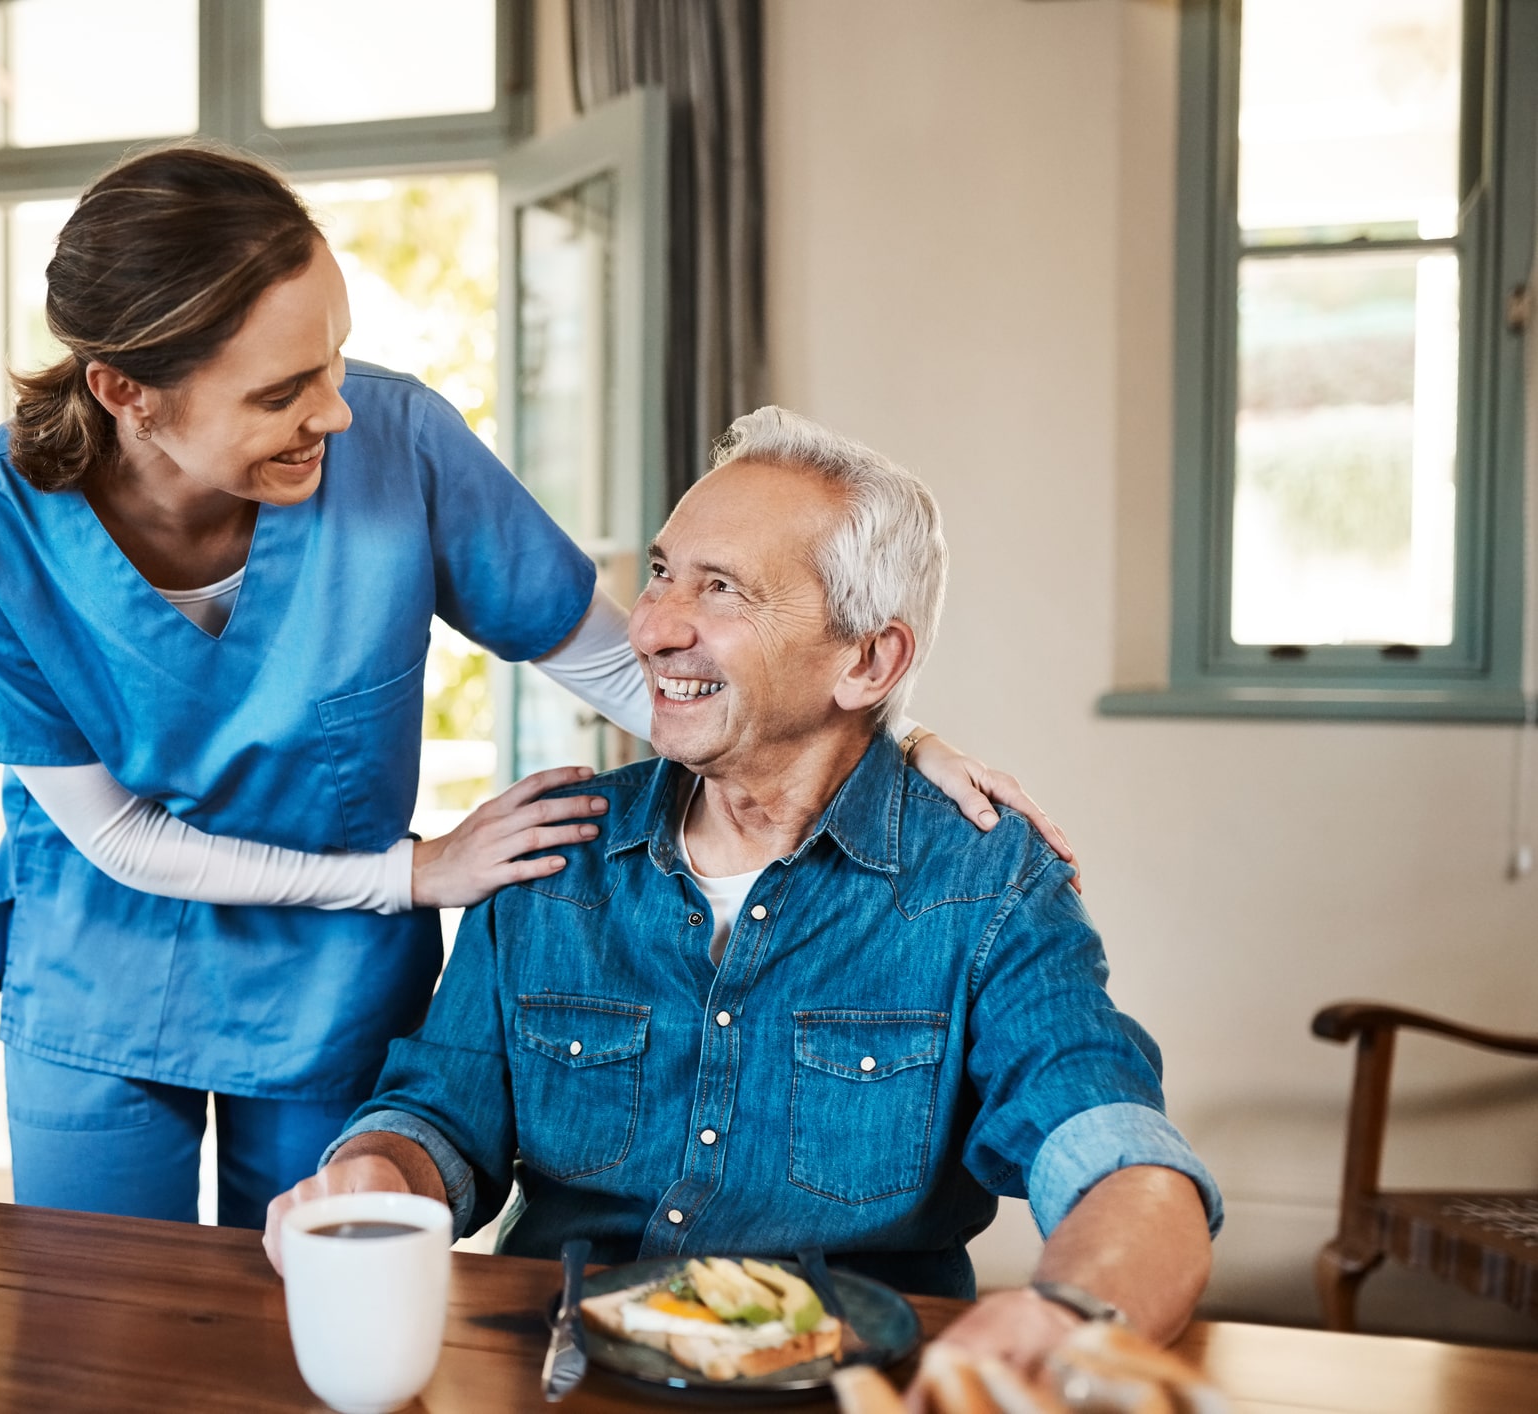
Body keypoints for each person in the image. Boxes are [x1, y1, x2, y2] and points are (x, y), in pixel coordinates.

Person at [0, 144, 1070, 1230]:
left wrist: (888, 741)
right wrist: (416, 870)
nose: (335, 410)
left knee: (314, 1304)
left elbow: (634, 666)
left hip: (327, 988)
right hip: (102, 966)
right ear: (126, 392)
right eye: (280, 393)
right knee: (92, 1323)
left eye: (333, 358)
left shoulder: (401, 444)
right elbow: (119, 836)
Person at [263, 407, 1219, 1377]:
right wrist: (371, 1175)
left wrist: (1064, 1316)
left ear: (867, 661)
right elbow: (439, 1117)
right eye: (661, 571)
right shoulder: (557, 850)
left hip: (851, 1388)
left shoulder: (985, 880)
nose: (649, 626)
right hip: (565, 1380)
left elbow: (1116, 1156)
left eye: (719, 590)